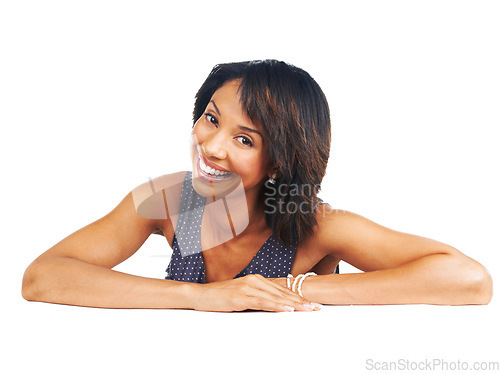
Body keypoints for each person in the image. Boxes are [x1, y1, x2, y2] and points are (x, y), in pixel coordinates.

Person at [21, 59, 493, 312]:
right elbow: (43, 277)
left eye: (244, 139)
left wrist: (291, 287)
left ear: (278, 162)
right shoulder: (165, 200)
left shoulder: (314, 224)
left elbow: (469, 280)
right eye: (211, 119)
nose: (212, 147)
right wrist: (201, 297)